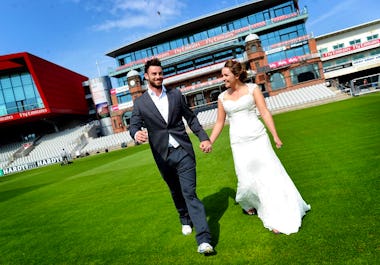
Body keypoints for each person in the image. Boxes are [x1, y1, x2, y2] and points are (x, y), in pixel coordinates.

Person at [206, 60, 310, 235]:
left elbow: (264, 112)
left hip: (258, 137)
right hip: (238, 141)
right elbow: (219, 122)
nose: (222, 78)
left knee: (268, 175)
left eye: (225, 75)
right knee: (245, 176)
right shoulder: (221, 97)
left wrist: (275, 135)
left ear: (236, 75)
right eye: (222, 75)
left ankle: (277, 214)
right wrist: (210, 141)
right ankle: (249, 203)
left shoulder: (253, 89)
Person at [129, 58, 214, 254]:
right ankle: (184, 218)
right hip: (162, 156)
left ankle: (204, 240)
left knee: (189, 193)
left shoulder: (176, 95)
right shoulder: (140, 103)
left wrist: (203, 137)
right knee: (175, 191)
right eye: (154, 74)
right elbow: (133, 125)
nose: (158, 76)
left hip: (183, 151)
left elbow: (191, 118)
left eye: (160, 73)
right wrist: (136, 133)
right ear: (146, 77)